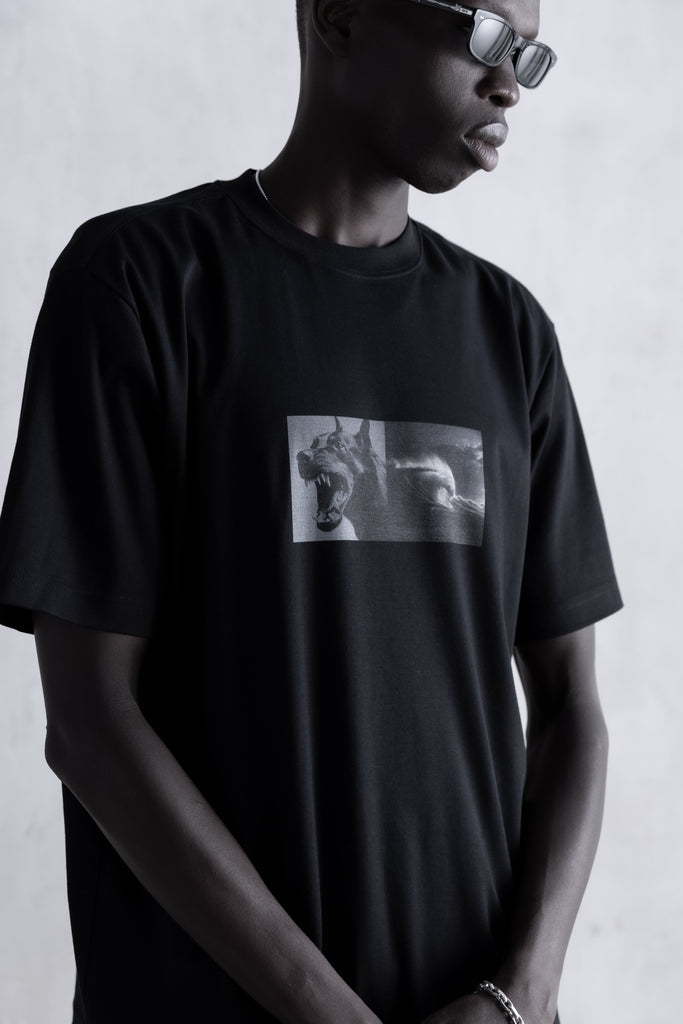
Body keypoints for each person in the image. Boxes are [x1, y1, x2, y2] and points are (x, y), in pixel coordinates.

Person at [0, 1, 622, 1022]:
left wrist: (518, 994)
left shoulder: (508, 334)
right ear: (339, 16)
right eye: (482, 33)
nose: (510, 82)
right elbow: (90, 721)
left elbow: (571, 707)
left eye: (530, 52)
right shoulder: (138, 285)